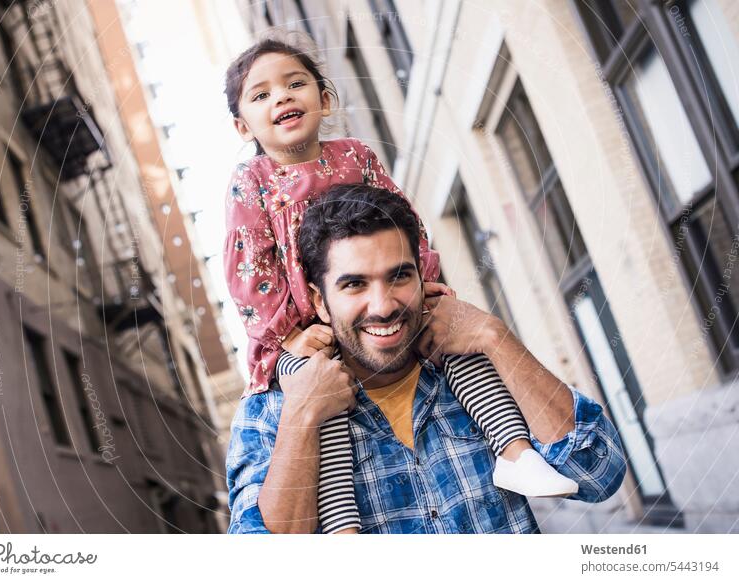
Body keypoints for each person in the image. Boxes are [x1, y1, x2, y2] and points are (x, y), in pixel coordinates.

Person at [223, 34, 578, 534]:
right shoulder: (252, 182)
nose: (280, 97)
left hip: (363, 321)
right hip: (304, 332)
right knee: (323, 399)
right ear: (243, 126)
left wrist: (426, 280)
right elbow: (248, 266)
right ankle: (344, 529)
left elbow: (407, 219)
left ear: (324, 99)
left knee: (457, 348)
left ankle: (515, 451)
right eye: (260, 95)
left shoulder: (357, 156)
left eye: (295, 83)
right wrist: (285, 336)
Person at [226, 184, 627, 534]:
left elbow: (599, 474)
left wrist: (495, 337)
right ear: (320, 302)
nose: (382, 306)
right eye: (354, 284)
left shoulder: (477, 368)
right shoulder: (269, 413)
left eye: (399, 276)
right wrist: (302, 414)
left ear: (423, 278)